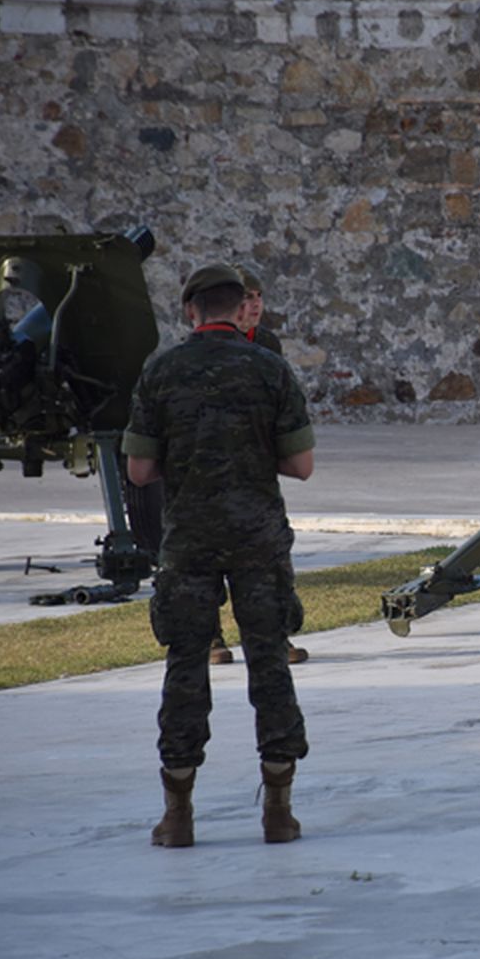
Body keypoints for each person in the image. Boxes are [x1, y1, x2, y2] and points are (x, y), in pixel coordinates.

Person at [123, 263, 316, 848]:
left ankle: (177, 816)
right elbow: (301, 465)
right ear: (238, 309)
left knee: (185, 668)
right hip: (257, 538)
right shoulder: (270, 368)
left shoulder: (160, 372)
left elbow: (138, 470)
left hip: (189, 541)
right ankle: (278, 812)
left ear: (191, 311)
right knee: (270, 665)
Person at [207, 264, 309, 667]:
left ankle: (273, 638)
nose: (252, 307)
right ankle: (211, 638)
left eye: (257, 298)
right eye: (244, 299)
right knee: (208, 557)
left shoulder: (266, 344)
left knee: (268, 558)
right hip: (211, 471)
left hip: (256, 470)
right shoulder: (203, 347)